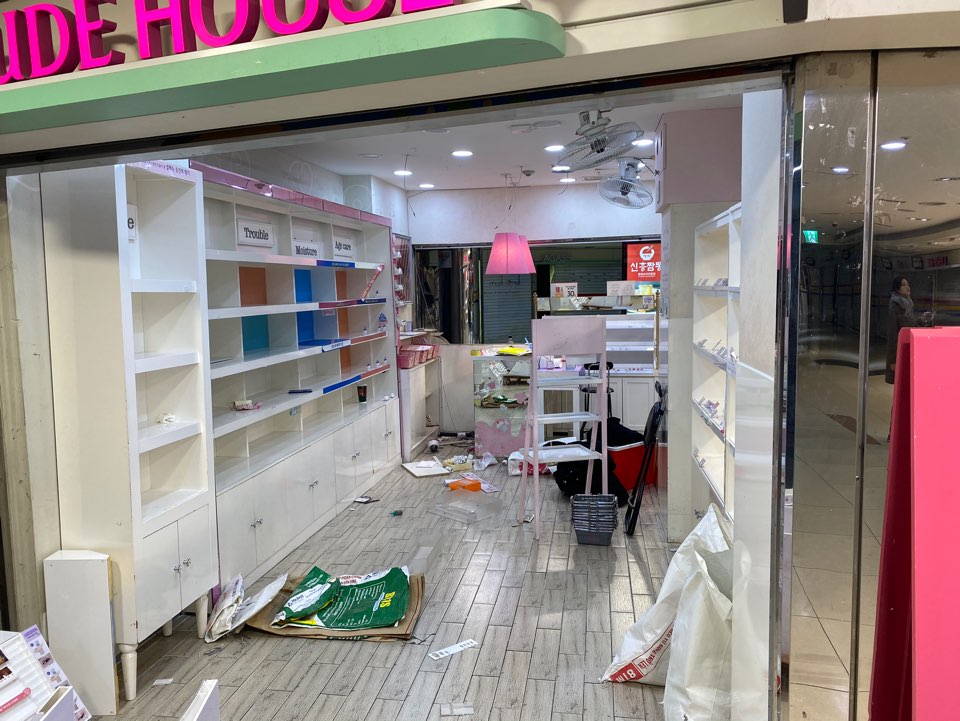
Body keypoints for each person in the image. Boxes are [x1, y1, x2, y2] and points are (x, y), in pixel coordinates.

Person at [885, 276, 933, 385]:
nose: (907, 287)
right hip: (900, 350)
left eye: (908, 284)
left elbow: (911, 325)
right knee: (901, 382)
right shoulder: (895, 304)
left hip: (908, 347)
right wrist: (893, 360)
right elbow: (892, 333)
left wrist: (922, 319)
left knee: (907, 381)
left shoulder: (908, 303)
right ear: (897, 289)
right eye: (903, 285)